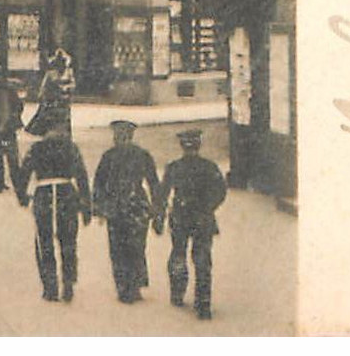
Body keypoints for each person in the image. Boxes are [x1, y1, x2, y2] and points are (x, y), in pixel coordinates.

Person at [153, 128, 228, 320]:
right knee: (202, 259)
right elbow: (220, 191)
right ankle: (203, 303)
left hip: (181, 217)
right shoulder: (209, 167)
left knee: (178, 254)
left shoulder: (174, 167)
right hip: (202, 219)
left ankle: (178, 293)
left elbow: (163, 193)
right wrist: (208, 207)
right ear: (198, 145)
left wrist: (159, 217)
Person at [17, 121, 91, 301]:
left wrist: (23, 197)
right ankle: (68, 282)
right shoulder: (71, 148)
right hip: (67, 194)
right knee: (68, 241)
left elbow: (23, 175)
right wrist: (86, 206)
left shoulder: (37, 148)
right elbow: (82, 176)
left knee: (45, 242)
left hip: (44, 195)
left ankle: (50, 287)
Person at [94, 119, 161, 303]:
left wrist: (99, 205)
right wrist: (156, 207)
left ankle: (127, 286)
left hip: (122, 206)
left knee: (123, 247)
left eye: (121, 135)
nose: (119, 138)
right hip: (134, 205)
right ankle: (130, 285)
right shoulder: (138, 155)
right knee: (131, 247)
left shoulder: (112, 156)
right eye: (118, 135)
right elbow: (154, 183)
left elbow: (99, 183)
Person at [28, 48, 76, 135]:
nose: (62, 65)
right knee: (48, 115)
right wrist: (42, 95)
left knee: (64, 117)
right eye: (60, 62)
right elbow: (44, 86)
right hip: (52, 97)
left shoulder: (69, 72)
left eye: (63, 62)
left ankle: (64, 133)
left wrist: (67, 88)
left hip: (64, 98)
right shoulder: (51, 74)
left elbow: (73, 84)